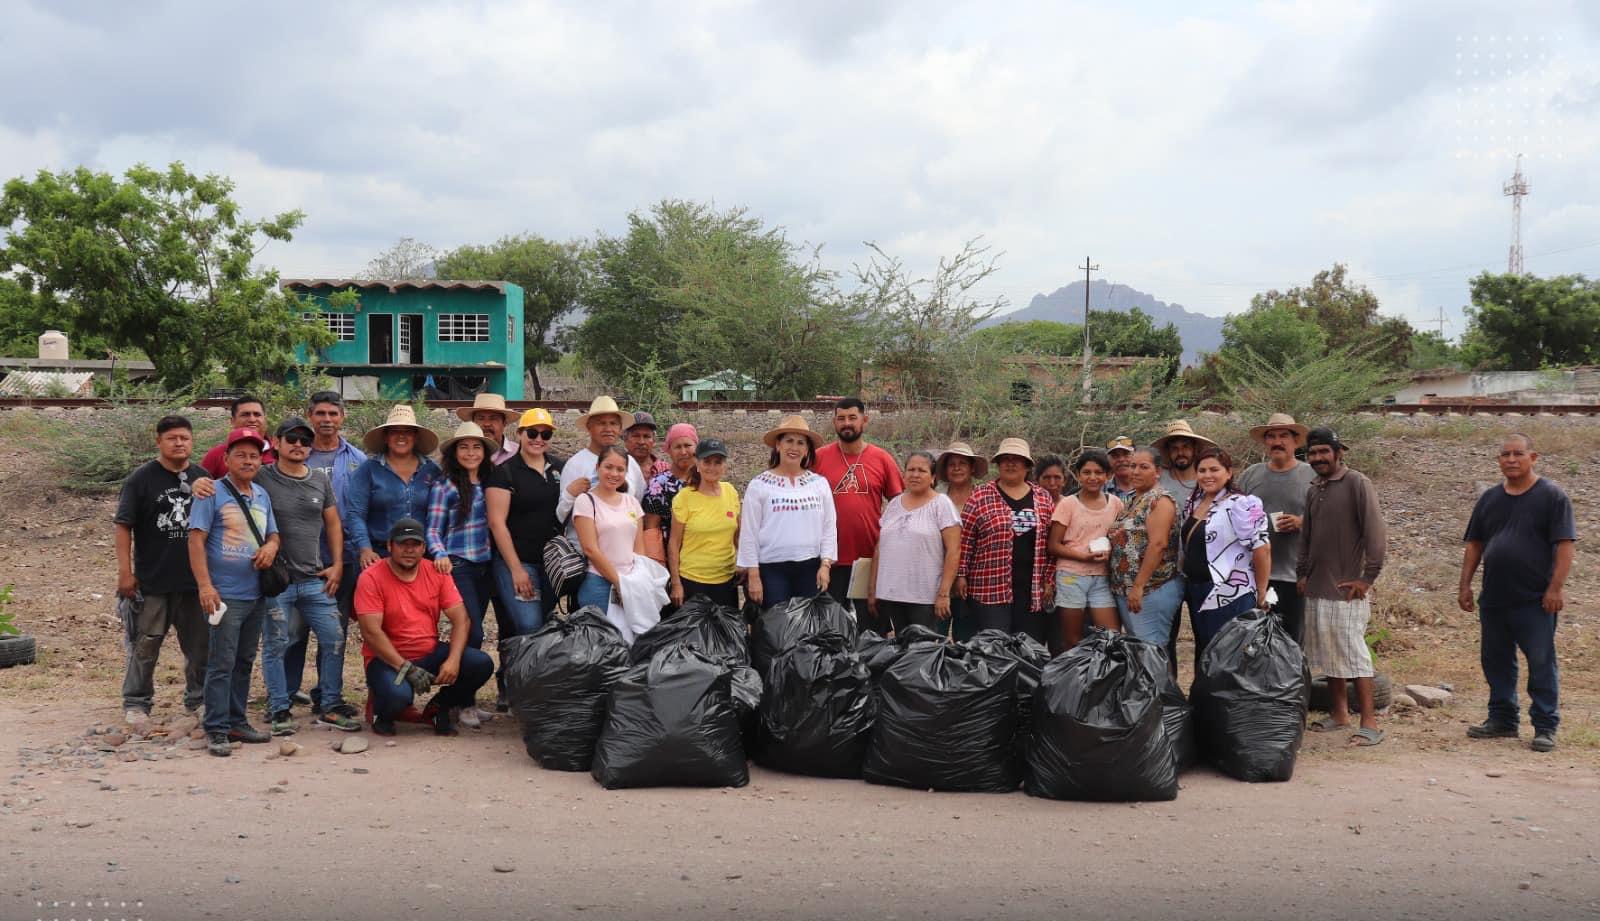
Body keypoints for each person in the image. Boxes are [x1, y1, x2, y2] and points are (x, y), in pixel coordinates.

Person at [1459, 434, 1576, 753]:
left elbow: (1564, 546)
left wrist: (1555, 588)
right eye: (1505, 454)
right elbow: (1475, 545)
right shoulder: (1489, 499)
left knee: (1540, 662)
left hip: (1535, 600)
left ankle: (1545, 726)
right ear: (1498, 459)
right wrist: (1465, 584)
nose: (1511, 459)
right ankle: (1502, 719)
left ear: (1533, 457)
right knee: (1495, 661)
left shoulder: (1552, 496)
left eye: (1518, 454)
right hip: (1494, 598)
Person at [254, 418, 359, 734]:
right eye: (292, 439)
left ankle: (329, 704)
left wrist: (338, 563)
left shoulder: (318, 480)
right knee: (277, 644)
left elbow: (333, 524)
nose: (298, 445)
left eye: (304, 440)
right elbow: (230, 488)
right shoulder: (262, 477)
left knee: (334, 640)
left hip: (315, 578)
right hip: (278, 581)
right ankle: (279, 708)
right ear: (277, 442)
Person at [353, 518, 494, 737]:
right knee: (398, 696)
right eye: (402, 544)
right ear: (389, 546)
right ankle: (383, 712)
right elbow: (371, 632)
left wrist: (453, 660)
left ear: (424, 548)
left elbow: (461, 620)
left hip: (428, 652)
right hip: (387, 659)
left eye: (415, 544)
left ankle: (439, 707)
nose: (409, 550)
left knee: (482, 664)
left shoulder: (436, 572)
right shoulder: (370, 577)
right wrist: (405, 668)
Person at [187, 428, 280, 757]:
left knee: (243, 660)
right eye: (240, 454)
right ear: (225, 459)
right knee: (221, 662)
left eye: (254, 455)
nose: (248, 460)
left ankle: (237, 721)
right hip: (223, 595)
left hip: (254, 593)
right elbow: (196, 539)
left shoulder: (261, 495)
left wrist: (270, 546)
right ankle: (216, 727)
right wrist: (205, 585)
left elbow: (273, 534)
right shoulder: (211, 492)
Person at [114, 415, 210, 728]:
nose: (179, 443)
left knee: (199, 646)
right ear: (159, 441)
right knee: (146, 643)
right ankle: (137, 702)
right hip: (152, 580)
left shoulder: (203, 477)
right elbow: (123, 526)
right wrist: (125, 573)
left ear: (192, 441)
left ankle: (198, 699)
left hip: (194, 582)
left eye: (184, 437)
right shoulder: (141, 479)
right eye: (172, 438)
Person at [1297, 427, 1388, 747]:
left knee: (1354, 654)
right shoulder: (1314, 488)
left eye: (1324, 452)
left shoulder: (1357, 483)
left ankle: (1370, 723)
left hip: (1347, 588)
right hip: (1317, 586)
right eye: (1313, 453)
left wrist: (1367, 578)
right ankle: (1339, 714)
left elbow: (1376, 535)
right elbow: (1306, 536)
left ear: (1339, 453)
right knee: (1328, 653)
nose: (1318, 458)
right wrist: (1302, 573)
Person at [287, 390, 366, 716]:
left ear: (342, 417)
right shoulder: (296, 456)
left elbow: (361, 509)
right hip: (299, 560)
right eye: (320, 414)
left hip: (343, 559)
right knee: (293, 631)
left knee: (334, 631)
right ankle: (287, 694)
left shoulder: (357, 460)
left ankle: (327, 695)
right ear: (310, 415)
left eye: (333, 414)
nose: (327, 420)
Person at [426, 421, 499, 729]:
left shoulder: (490, 482)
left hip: (486, 564)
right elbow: (432, 527)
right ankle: (456, 699)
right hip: (459, 565)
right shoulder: (446, 486)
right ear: (455, 453)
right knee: (472, 632)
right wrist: (440, 554)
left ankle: (463, 700)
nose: (471, 452)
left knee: (472, 634)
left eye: (477, 446)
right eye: (464, 447)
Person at [814, 397, 904, 633]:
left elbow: (900, 505)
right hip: (829, 559)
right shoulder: (818, 458)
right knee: (831, 629)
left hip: (869, 560)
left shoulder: (882, 459)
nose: (847, 423)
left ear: (865, 420)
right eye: (841, 418)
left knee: (871, 627)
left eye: (852, 418)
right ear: (834, 422)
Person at [956, 438, 1055, 641]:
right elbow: (965, 540)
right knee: (995, 648)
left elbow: (1051, 543)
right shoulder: (980, 496)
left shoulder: (1043, 497)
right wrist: (961, 574)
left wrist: (1049, 579)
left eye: (1017, 459)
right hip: (990, 587)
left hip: (1032, 589)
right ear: (998, 464)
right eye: (1005, 459)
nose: (1011, 464)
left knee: (1029, 648)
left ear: (1027, 466)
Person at [1180, 447, 1270, 663]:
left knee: (1229, 653)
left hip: (1231, 592)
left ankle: (1229, 698)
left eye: (1214, 469)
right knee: (1206, 650)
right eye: (1202, 470)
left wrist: (1262, 590)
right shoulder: (1193, 502)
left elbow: (1262, 548)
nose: (1207, 475)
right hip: (1197, 589)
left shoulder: (1242, 504)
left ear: (1229, 472)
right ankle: (1206, 696)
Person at [739, 415, 837, 610]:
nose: (794, 447)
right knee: (776, 629)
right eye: (789, 441)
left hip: (810, 567)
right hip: (772, 569)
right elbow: (749, 533)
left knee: (807, 630)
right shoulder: (759, 485)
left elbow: (829, 526)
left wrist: (825, 565)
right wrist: (753, 575)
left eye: (801, 443)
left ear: (807, 449)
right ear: (778, 445)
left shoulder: (819, 484)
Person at [1236, 413, 1315, 644]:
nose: (1277, 441)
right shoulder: (1251, 475)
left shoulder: (1311, 475)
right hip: (1254, 575)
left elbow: (1330, 517)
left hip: (1295, 575)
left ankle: (1293, 681)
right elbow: (1234, 513)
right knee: (1255, 640)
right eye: (1271, 436)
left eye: (1283, 436)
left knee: (1291, 641)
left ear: (1295, 441)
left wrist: (1302, 522)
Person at [485, 407, 563, 644]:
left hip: (550, 563)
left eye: (545, 434)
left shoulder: (560, 467)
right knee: (529, 627)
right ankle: (514, 678)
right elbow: (496, 523)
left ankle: (536, 678)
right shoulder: (504, 473)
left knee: (548, 625)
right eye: (532, 433)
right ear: (519, 434)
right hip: (518, 561)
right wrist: (516, 569)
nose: (538, 439)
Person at [869, 451, 960, 634]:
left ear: (933, 477)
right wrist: (873, 588)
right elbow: (880, 548)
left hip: (924, 596)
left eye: (922, 470)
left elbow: (954, 550)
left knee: (921, 651)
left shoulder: (941, 504)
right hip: (892, 593)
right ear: (903, 475)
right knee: (901, 647)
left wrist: (944, 593)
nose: (915, 475)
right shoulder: (894, 504)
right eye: (910, 470)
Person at [1106, 447, 1183, 659]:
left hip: (1151, 589)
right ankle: (1147, 692)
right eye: (1132, 466)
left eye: (1143, 467)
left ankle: (1160, 693)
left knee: (1151, 651)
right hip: (1128, 590)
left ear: (1157, 471)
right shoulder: (1133, 500)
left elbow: (1158, 544)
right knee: (1139, 651)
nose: (1135, 472)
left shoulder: (1159, 500)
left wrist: (1138, 586)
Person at [347, 404, 442, 571]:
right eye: (394, 431)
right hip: (379, 554)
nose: (401, 436)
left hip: (422, 555)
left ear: (416, 436)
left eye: (407, 431)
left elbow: (441, 514)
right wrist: (365, 549)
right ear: (385, 437)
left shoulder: (432, 470)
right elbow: (355, 514)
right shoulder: (368, 470)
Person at [1048, 448, 1124, 652]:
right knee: (1072, 639)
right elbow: (1053, 545)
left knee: (1111, 638)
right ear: (1078, 475)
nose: (1093, 477)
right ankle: (1073, 680)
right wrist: (1083, 556)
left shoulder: (1115, 504)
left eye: (1099, 472)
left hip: (1102, 577)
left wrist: (1110, 553)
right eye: (1087, 472)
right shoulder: (1068, 505)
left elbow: (1119, 538)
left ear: (1108, 476)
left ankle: (1102, 680)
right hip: (1071, 577)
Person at [668, 437, 742, 609]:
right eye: (707, 462)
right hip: (693, 581)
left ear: (725, 465)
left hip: (726, 580)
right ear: (698, 464)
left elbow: (738, 535)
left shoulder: (730, 492)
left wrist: (745, 566)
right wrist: (676, 583)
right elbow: (674, 543)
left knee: (725, 634)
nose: (712, 467)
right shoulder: (684, 498)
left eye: (718, 462)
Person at [571, 445, 646, 612]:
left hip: (631, 582)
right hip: (599, 583)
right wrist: (619, 583)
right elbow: (590, 549)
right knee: (603, 637)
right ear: (598, 468)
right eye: (608, 467)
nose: (614, 474)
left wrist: (636, 580)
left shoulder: (631, 502)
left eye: (620, 469)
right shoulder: (585, 501)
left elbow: (639, 547)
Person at [556, 396, 647, 530]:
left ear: (620, 428)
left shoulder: (631, 463)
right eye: (601, 423)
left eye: (613, 423)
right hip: (583, 548)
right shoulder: (575, 465)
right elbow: (561, 516)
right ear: (589, 427)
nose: (608, 429)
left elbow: (638, 505)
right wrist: (570, 494)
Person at [936, 442, 987, 641]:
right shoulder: (937, 499)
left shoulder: (984, 498)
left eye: (962, 463)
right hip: (939, 577)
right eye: (952, 464)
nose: (957, 468)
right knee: (935, 636)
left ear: (972, 468)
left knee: (966, 639)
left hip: (974, 579)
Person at [641, 423, 699, 564]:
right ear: (669, 450)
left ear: (696, 447)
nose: (683, 452)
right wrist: (658, 565)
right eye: (677, 447)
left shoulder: (705, 479)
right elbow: (651, 529)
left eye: (687, 445)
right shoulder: (659, 484)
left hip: (705, 557)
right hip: (673, 560)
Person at [199, 395, 276, 478]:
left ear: (265, 419)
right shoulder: (216, 454)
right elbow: (200, 485)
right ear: (232, 421)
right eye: (245, 414)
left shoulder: (279, 453)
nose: (252, 419)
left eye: (257, 414)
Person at [1152, 420, 1213, 505]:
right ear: (1168, 452)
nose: (1180, 453)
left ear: (1194, 449)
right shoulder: (1157, 478)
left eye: (1185, 447)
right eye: (1174, 448)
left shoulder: (1207, 479)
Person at [456, 392, 521, 465]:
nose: (487, 424)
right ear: (473, 423)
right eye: (481, 418)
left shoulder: (518, 453)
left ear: (504, 423)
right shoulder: (461, 455)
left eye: (493, 418)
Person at [625, 411, 670, 478]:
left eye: (646, 436)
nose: (641, 442)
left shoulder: (666, 470)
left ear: (654, 441)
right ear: (625, 439)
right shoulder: (616, 468)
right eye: (636, 436)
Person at [1105, 436, 1136, 501]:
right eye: (1115, 456)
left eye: (1126, 454)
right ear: (1108, 460)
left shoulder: (1148, 489)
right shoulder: (1100, 491)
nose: (1121, 459)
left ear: (1136, 456)